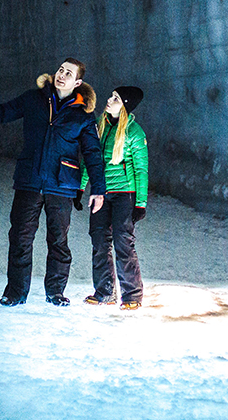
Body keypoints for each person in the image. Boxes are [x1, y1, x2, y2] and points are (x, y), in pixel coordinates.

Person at [0, 58, 106, 307]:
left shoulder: (83, 115)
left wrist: (99, 190)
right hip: (29, 180)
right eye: (61, 70)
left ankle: (56, 292)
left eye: (69, 73)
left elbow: (93, 153)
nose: (62, 75)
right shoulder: (33, 99)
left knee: (58, 241)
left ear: (78, 82)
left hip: (62, 185)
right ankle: (16, 293)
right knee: (20, 237)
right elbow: (1, 113)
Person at [81, 86, 147, 310]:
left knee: (123, 242)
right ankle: (105, 292)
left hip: (124, 195)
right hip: (101, 193)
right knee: (99, 240)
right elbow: (91, 159)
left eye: (116, 99)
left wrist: (140, 203)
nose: (109, 100)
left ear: (125, 106)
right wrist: (81, 187)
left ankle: (132, 295)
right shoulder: (101, 126)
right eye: (111, 96)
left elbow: (141, 170)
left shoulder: (134, 133)